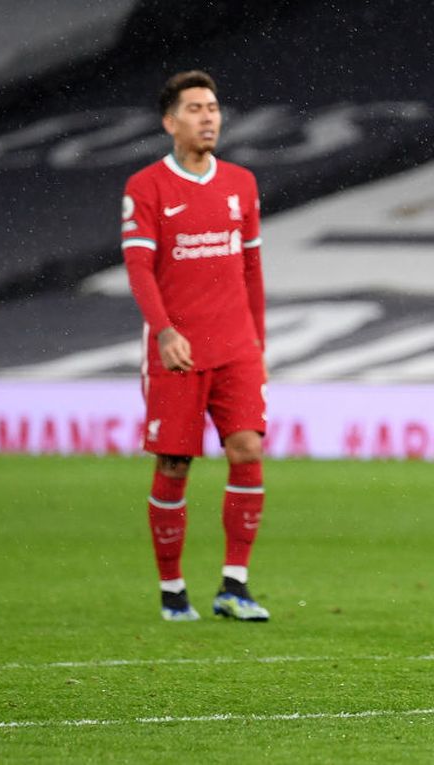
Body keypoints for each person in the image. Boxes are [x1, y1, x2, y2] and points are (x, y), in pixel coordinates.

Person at [121, 70, 270, 622]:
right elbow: (139, 267)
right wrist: (164, 331)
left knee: (248, 450)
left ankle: (235, 585)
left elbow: (251, 267)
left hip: (236, 347)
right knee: (176, 463)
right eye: (195, 109)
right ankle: (172, 588)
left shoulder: (241, 183)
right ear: (170, 122)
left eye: (213, 107)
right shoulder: (146, 187)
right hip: (177, 350)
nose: (208, 117)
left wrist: (258, 344)